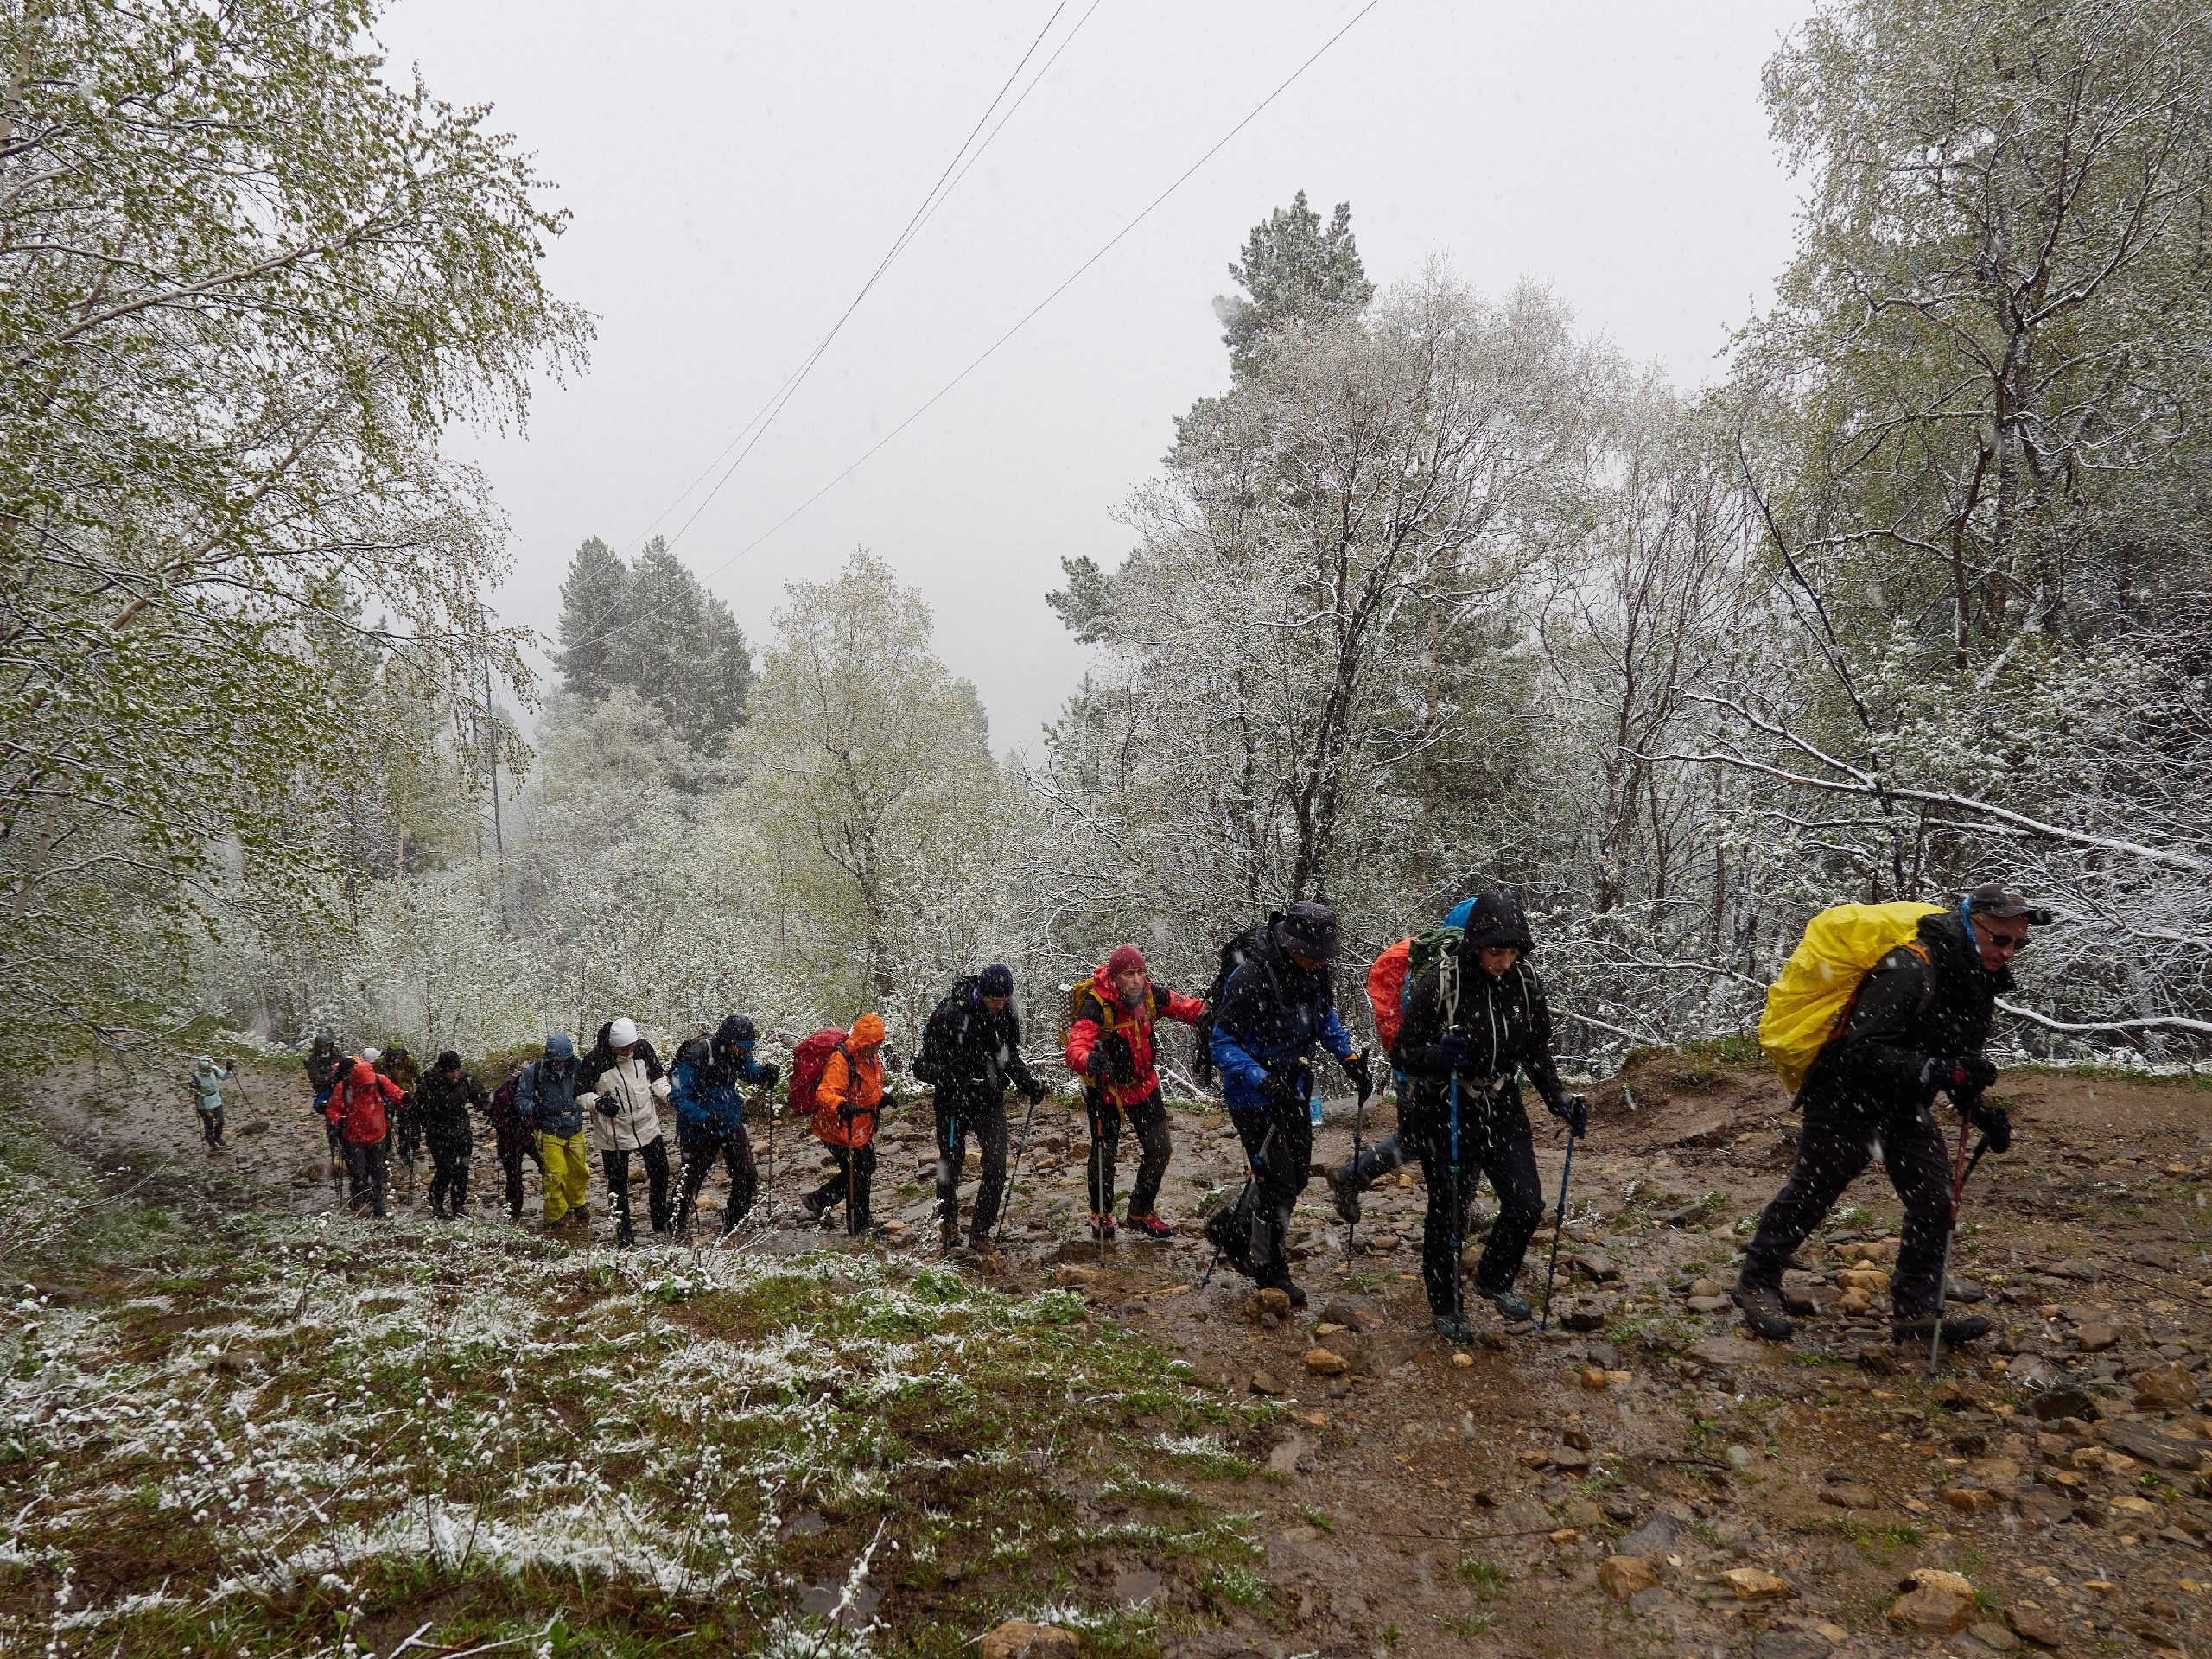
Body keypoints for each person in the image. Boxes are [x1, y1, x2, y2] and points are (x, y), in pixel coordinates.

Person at [1733, 884, 2038, 1348]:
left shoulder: (1975, 975)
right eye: (2000, 939)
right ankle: (1756, 1283)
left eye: (2018, 943)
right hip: (1843, 1094)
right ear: (1971, 923)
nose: (2009, 952)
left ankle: (1915, 1314)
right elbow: (1863, 1050)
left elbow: (1956, 1056)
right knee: (1813, 1193)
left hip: (1902, 1102)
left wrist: (1979, 1110)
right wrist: (1939, 1070)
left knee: (1936, 1201)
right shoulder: (1912, 968)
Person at [1392, 894, 1586, 1340]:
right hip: (1446, 1108)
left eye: (1512, 952)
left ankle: (1494, 1278)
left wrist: (1558, 1099)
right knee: (1450, 1214)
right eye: (1495, 952)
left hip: (1502, 1105)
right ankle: (1445, 1304)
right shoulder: (1443, 982)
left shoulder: (1523, 982)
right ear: (1476, 945)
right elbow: (1404, 1051)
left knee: (1527, 1204)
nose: (1503, 961)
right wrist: (1438, 1056)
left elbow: (1536, 1050)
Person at [1204, 902, 1367, 1306]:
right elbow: (1221, 1044)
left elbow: (1323, 1017)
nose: (1318, 961)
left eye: (1323, 954)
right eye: (1311, 953)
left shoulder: (1314, 971)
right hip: (1250, 1094)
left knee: (1294, 1177)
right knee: (1276, 1184)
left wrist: (1347, 1058)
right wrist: (1262, 1080)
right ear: (1289, 943)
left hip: (1292, 1090)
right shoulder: (1252, 977)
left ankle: (1231, 1227)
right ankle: (1269, 1271)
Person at [1325, 896, 1481, 1222]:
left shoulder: (1426, 960)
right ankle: (1458, 1211)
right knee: (1447, 1138)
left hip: (1413, 1064)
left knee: (1431, 1138)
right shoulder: (1442, 969)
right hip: (1426, 1067)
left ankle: (1355, 1177)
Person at [1065, 945, 1205, 1242]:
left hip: (1144, 1084)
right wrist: (1087, 1059)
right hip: (1106, 1090)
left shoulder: (1152, 996)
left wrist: (1210, 1013)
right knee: (1104, 1155)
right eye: (1129, 974)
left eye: (1141, 972)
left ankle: (1140, 1212)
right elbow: (1077, 1043)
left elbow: (1188, 1007)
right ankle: (1101, 1213)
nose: (1137, 979)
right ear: (1115, 978)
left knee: (1160, 1149)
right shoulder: (1097, 1004)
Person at [914, 965, 1046, 1255]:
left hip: (989, 1100)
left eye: (1005, 1000)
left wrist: (1028, 1084)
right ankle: (949, 1228)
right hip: (953, 1104)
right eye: (994, 1000)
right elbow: (921, 1066)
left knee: (997, 1165)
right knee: (951, 1165)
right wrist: (948, 1073)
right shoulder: (951, 1014)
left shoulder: (1008, 1014)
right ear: (981, 993)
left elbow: (1009, 1057)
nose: (1000, 1006)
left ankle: (981, 1232)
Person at [671, 1015, 777, 1238]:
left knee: (747, 1174)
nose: (746, 1053)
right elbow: (678, 1096)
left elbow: (750, 1073)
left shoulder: (739, 1052)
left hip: (728, 1121)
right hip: (698, 1129)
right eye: (741, 1048)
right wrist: (704, 1118)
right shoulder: (698, 1055)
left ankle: (735, 1222)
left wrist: (764, 1074)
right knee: (690, 1180)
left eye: (749, 1049)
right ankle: (675, 1226)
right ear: (728, 1042)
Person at [578, 1017, 673, 1247]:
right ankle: (624, 1230)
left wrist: (670, 1095)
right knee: (618, 1184)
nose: (629, 1051)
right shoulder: (595, 1061)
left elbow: (657, 1078)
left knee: (661, 1171)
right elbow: (580, 1095)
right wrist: (598, 1102)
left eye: (631, 1046)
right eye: (624, 1048)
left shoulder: (643, 1050)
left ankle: (659, 1221)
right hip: (614, 1132)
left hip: (646, 1124)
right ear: (612, 1045)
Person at [802, 1013, 888, 1235]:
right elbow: (825, 1093)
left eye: (878, 1043)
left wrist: (881, 1099)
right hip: (837, 1126)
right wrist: (840, 1105)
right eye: (872, 1044)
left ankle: (820, 1200)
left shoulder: (870, 1056)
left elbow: (867, 1086)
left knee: (865, 1167)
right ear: (862, 1041)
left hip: (859, 1125)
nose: (876, 1048)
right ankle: (858, 1225)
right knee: (858, 1171)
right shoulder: (841, 1060)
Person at [516, 1033, 590, 1230]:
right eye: (556, 1061)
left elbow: (591, 1087)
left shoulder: (579, 1067)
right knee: (555, 1174)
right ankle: (555, 1215)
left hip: (574, 1127)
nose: (559, 1064)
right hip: (548, 1130)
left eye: (563, 1060)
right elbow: (521, 1099)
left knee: (580, 1171)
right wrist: (534, 1110)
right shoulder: (535, 1071)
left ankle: (577, 1202)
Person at [326, 1052, 404, 1217]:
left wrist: (405, 1098)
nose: (369, 1089)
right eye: (366, 1086)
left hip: (378, 1135)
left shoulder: (379, 1080)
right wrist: (340, 1121)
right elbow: (332, 1109)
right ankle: (358, 1199)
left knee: (377, 1172)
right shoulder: (344, 1087)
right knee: (358, 1172)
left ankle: (377, 1203)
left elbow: (394, 1093)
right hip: (354, 1137)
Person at [415, 1051, 488, 1220]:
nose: (455, 1074)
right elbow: (416, 1109)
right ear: (442, 1070)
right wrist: (414, 1133)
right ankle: (436, 1202)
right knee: (445, 1169)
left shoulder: (466, 1079)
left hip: (461, 1131)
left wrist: (491, 1109)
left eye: (457, 1070)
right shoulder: (429, 1083)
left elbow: (481, 1098)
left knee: (462, 1169)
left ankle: (459, 1204)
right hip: (437, 1134)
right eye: (451, 1071)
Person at [486, 1066, 541, 1220]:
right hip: (509, 1141)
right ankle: (514, 1213)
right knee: (514, 1178)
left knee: (547, 1167)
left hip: (528, 1137)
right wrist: (513, 1122)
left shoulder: (533, 1089)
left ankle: (557, 1206)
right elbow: (497, 1121)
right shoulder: (505, 1095)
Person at [305, 1033, 344, 1170]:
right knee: (332, 1123)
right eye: (323, 1047)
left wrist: (335, 1076)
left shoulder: (337, 1053)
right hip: (325, 1093)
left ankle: (347, 1148)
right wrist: (331, 1077)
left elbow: (344, 1068)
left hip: (341, 1091)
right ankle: (335, 1151)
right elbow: (316, 1078)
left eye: (328, 1046)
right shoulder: (312, 1060)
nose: (325, 1049)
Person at [381, 1045, 422, 1173]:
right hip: (388, 1096)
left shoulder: (410, 1061)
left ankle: (405, 1151)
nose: (398, 1058)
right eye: (395, 1055)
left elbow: (418, 1076)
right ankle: (386, 1146)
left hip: (406, 1096)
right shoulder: (381, 1063)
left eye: (400, 1055)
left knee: (405, 1124)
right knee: (385, 1123)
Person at [189, 1055, 232, 1149]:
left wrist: (228, 1069)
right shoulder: (195, 1078)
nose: (209, 1070)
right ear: (202, 1068)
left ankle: (217, 1137)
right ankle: (211, 1143)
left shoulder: (214, 1070)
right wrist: (193, 1088)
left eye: (209, 1067)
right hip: (204, 1105)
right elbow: (190, 1093)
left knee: (220, 1121)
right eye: (207, 1068)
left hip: (216, 1101)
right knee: (209, 1124)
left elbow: (224, 1077)